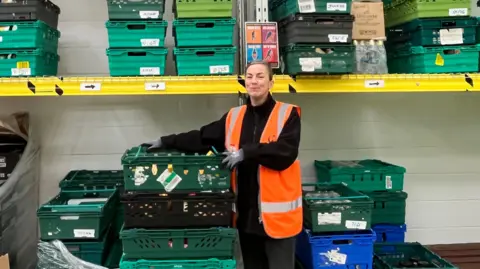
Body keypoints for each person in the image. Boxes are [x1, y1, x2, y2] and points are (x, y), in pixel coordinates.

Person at [141, 61, 303, 269]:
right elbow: (202, 137)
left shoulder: (287, 114)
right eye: (250, 76)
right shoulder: (234, 117)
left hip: (278, 221)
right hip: (247, 217)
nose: (254, 81)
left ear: (271, 82)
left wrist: (247, 152)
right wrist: (166, 141)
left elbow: (285, 152)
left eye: (260, 76)